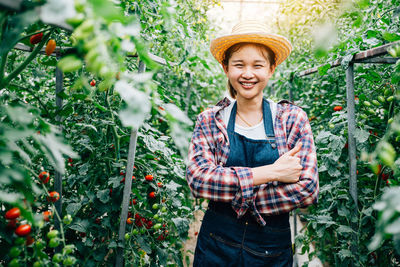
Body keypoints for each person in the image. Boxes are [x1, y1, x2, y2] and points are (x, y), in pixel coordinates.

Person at [185, 20, 319, 267]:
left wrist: (235, 196)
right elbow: (198, 181)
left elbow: (307, 189)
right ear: (226, 68)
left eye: (257, 65)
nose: (248, 74)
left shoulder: (291, 120)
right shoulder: (211, 120)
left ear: (271, 68)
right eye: (239, 65)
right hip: (216, 245)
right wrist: (271, 172)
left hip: (271, 250)